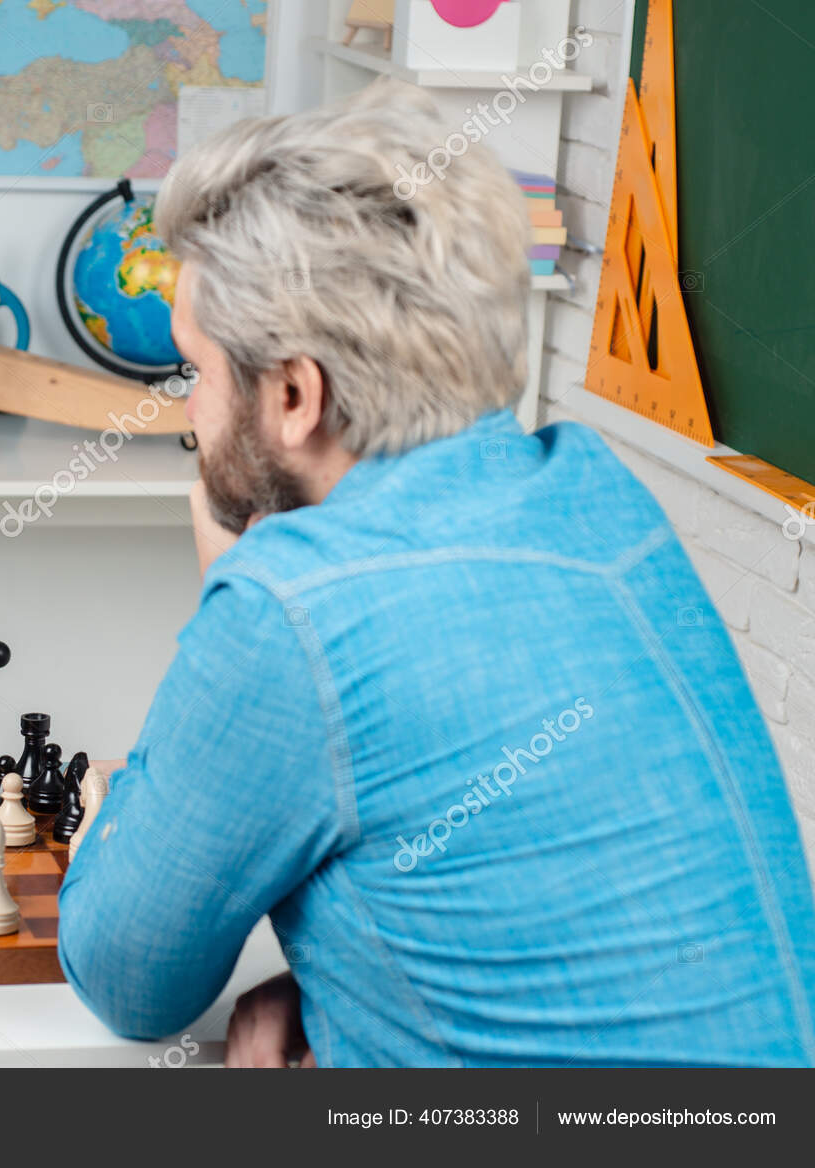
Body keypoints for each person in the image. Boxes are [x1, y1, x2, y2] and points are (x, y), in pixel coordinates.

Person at [56, 78, 815, 1066]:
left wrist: (99, 832)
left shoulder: (292, 608)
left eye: (199, 371)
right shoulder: (600, 499)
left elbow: (130, 979)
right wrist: (343, 985)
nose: (191, 413)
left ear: (294, 393)